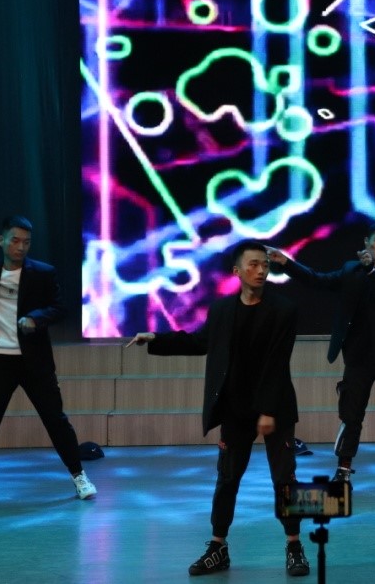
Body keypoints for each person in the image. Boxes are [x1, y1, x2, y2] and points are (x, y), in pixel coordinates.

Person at [126, 240, 309, 577]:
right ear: (237, 271)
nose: (261, 270)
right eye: (253, 264)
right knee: (227, 479)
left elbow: (277, 363)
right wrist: (156, 338)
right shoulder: (222, 309)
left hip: (275, 408)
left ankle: (294, 545)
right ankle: (217, 547)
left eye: (265, 265)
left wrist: (267, 411)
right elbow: (200, 342)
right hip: (235, 408)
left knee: (285, 479)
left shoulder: (284, 310)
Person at [267, 220, 375, 495]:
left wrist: (371, 271)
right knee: (351, 417)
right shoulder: (351, 270)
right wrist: (286, 263)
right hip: (357, 359)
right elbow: (318, 280)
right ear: (366, 242)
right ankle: (343, 470)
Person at [0, 215, 97, 500]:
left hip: (34, 361)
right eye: (15, 241)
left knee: (55, 420)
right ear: (2, 240)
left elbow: (59, 307)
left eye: (26, 242)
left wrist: (35, 319)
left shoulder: (42, 273)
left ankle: (79, 476)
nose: (20, 247)